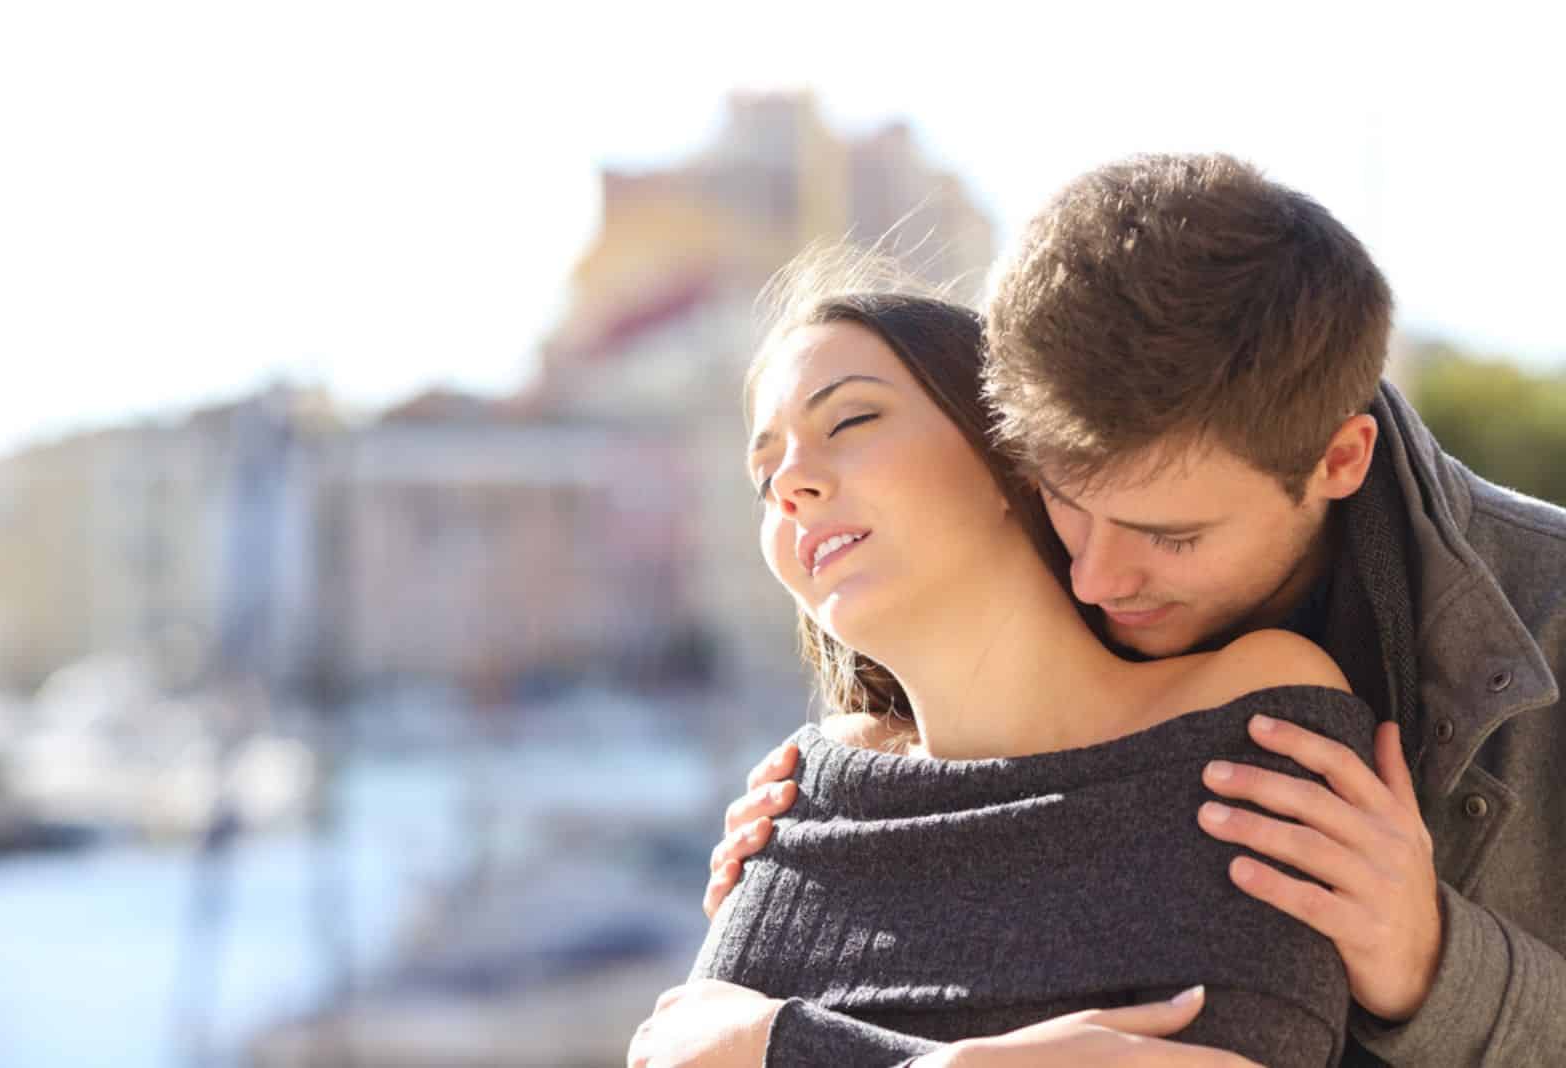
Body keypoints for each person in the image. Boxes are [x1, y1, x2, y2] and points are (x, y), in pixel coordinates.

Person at [693, 154, 1566, 1066]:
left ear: (1340, 461)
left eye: (1169, 537)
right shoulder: (824, 775)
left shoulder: (1538, 614)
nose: (1095, 580)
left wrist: (1434, 962)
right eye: (1064, 501)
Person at [628, 260, 1383, 1068]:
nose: (791, 485)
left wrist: (780, 1044)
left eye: (848, 422)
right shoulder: (801, 795)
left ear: (1011, 451)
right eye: (763, 472)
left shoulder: (1250, 708)